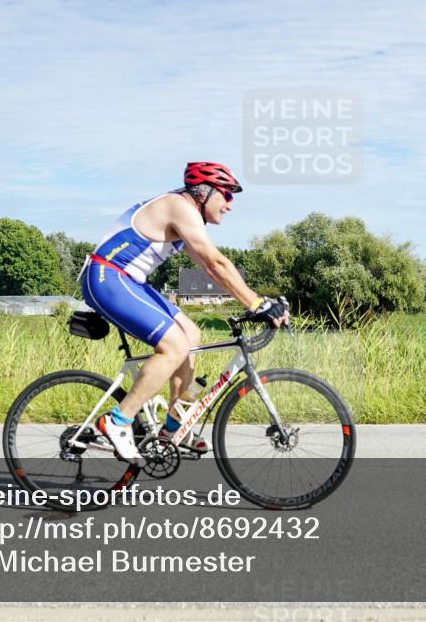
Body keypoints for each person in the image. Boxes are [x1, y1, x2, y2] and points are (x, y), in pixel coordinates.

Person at [79, 162, 289, 466]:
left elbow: (211, 267)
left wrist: (258, 300)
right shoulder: (179, 207)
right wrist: (256, 304)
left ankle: (173, 427)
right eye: (227, 195)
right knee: (174, 346)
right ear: (205, 193)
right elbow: (216, 263)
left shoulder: (187, 215)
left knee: (191, 334)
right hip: (107, 276)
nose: (229, 205)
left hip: (127, 280)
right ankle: (118, 421)